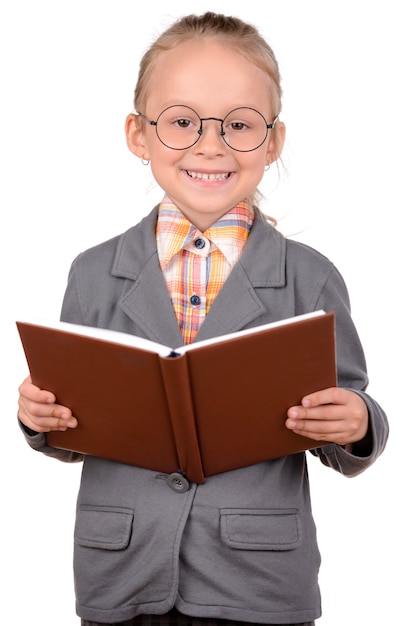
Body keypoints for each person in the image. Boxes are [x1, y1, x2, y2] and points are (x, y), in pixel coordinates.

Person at [17, 11, 388, 626]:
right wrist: (41, 419)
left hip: (258, 578)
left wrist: (355, 423)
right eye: (182, 122)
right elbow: (70, 425)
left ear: (272, 142)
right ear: (139, 135)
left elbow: (350, 408)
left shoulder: (310, 277)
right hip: (122, 569)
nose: (210, 145)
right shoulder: (91, 273)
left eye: (239, 125)